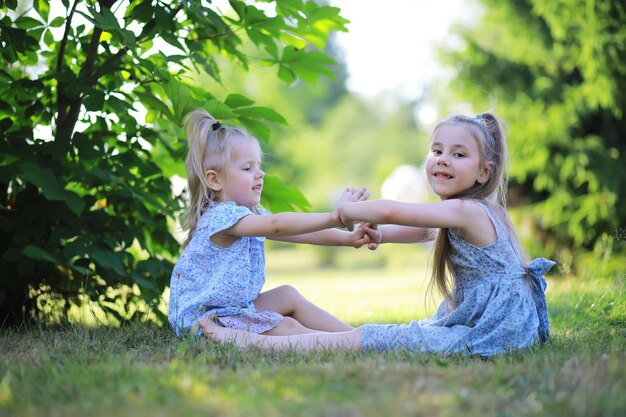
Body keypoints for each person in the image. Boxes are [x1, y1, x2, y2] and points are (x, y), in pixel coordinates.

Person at [201, 112, 556, 357]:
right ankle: (333, 339)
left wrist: (348, 210)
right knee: (393, 337)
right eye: (437, 151)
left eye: (458, 154)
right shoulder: (472, 211)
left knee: (381, 338)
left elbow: (390, 210)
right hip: (503, 324)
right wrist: (380, 236)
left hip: (496, 329)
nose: (443, 159)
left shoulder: (466, 210)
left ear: (483, 172)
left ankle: (244, 340)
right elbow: (420, 230)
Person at [168, 109, 373, 338]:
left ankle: (362, 337)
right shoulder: (221, 217)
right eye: (248, 168)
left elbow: (299, 234)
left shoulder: (249, 214)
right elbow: (278, 225)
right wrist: (335, 217)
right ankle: (349, 342)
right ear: (214, 179)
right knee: (287, 327)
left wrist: (348, 238)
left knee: (287, 295)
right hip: (206, 322)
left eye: (258, 165)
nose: (260, 173)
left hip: (230, 311)